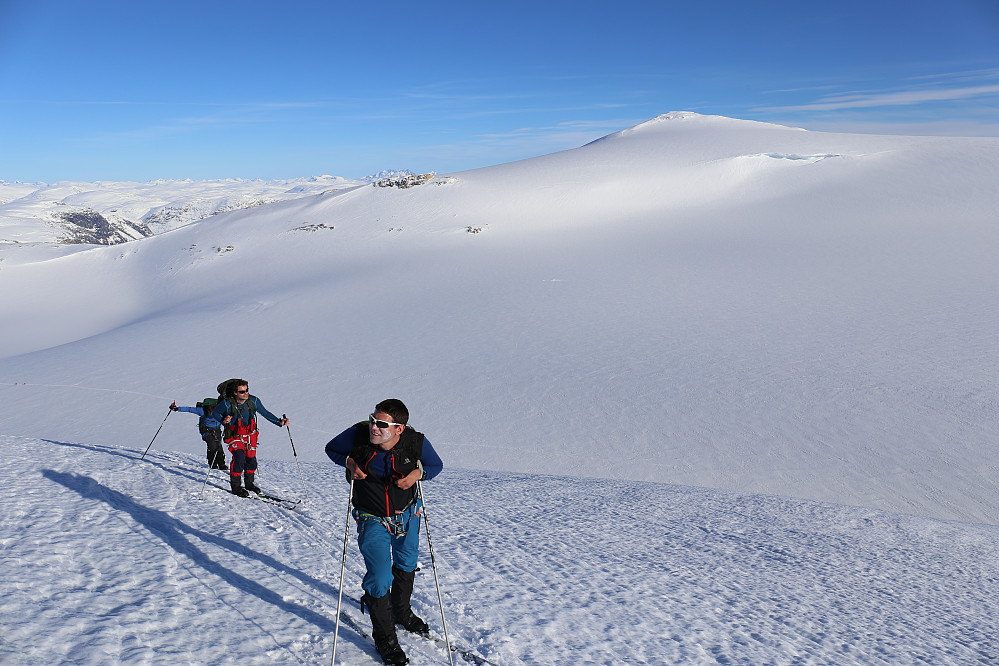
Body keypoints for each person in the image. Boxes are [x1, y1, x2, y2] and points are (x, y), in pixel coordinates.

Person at [325, 399, 444, 666]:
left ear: (399, 428)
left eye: (381, 424)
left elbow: (435, 466)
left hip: (408, 515)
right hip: (371, 517)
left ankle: (401, 612)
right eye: (372, 419)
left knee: (407, 562)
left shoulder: (415, 442)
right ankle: (386, 639)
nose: (373, 427)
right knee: (379, 577)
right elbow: (331, 449)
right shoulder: (358, 435)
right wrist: (349, 462)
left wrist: (417, 474)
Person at [210, 379, 288, 498]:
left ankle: (249, 484)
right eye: (242, 392)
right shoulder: (227, 403)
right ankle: (236, 487)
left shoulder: (253, 401)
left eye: (247, 390)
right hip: (234, 435)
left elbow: (265, 413)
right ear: (235, 393)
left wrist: (279, 422)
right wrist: (223, 420)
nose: (245, 393)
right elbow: (216, 413)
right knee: (239, 458)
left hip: (250, 435)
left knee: (251, 461)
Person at [168, 400, 227, 469]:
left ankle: (222, 464)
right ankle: (213, 465)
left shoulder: (222, 412)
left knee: (219, 446)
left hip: (217, 430)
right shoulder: (202, 411)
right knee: (212, 445)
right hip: (206, 430)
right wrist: (176, 408)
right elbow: (189, 409)